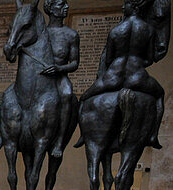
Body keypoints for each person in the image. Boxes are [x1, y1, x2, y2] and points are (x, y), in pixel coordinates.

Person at [80, 0, 166, 147]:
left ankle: (83, 135)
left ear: (133, 6)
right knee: (160, 95)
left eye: (125, 4)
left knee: (83, 98)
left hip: (113, 76)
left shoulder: (116, 30)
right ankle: (153, 135)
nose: (122, 7)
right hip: (137, 76)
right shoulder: (148, 30)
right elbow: (150, 59)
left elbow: (108, 59)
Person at [41, 0, 81, 155]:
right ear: (50, 9)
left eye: (66, 4)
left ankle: (59, 141)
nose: (66, 7)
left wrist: (59, 69)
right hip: (41, 76)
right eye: (61, 5)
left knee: (67, 95)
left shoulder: (71, 35)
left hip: (59, 77)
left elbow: (74, 63)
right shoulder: (41, 32)